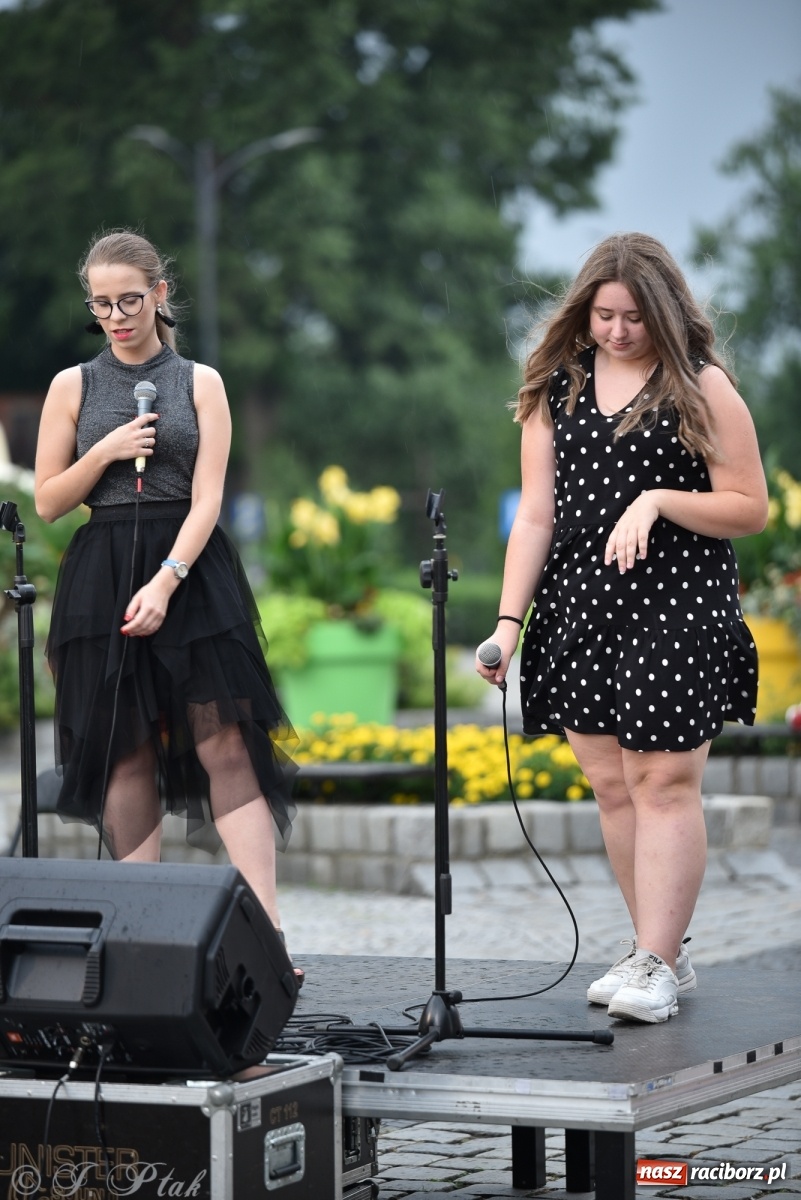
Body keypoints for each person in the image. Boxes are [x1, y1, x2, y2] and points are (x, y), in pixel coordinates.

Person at [477, 232, 768, 1023]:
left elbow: (749, 506)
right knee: (612, 788)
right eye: (603, 315)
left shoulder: (701, 386)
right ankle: (655, 950)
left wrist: (659, 500)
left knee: (663, 783)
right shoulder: (555, 389)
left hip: (675, 607)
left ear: (665, 312)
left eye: (632, 317)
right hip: (578, 611)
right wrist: (507, 623)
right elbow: (536, 514)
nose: (614, 331)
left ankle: (655, 960)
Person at [35, 229, 302, 979]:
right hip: (102, 568)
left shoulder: (200, 382)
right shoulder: (72, 386)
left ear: (159, 294)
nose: (116, 317)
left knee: (225, 742)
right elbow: (50, 499)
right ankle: (140, 939)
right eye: (101, 304)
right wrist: (106, 451)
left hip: (190, 570)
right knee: (125, 750)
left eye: (128, 300)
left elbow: (210, 495)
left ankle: (266, 933)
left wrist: (167, 579)